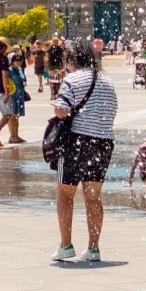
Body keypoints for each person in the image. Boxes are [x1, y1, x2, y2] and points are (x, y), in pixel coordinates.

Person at [51, 43, 117, 263]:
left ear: (72, 59)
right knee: (93, 195)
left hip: (77, 141)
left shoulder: (73, 79)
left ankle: (66, 245)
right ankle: (93, 248)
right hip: (103, 142)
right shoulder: (107, 81)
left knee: (65, 193)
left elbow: (61, 109)